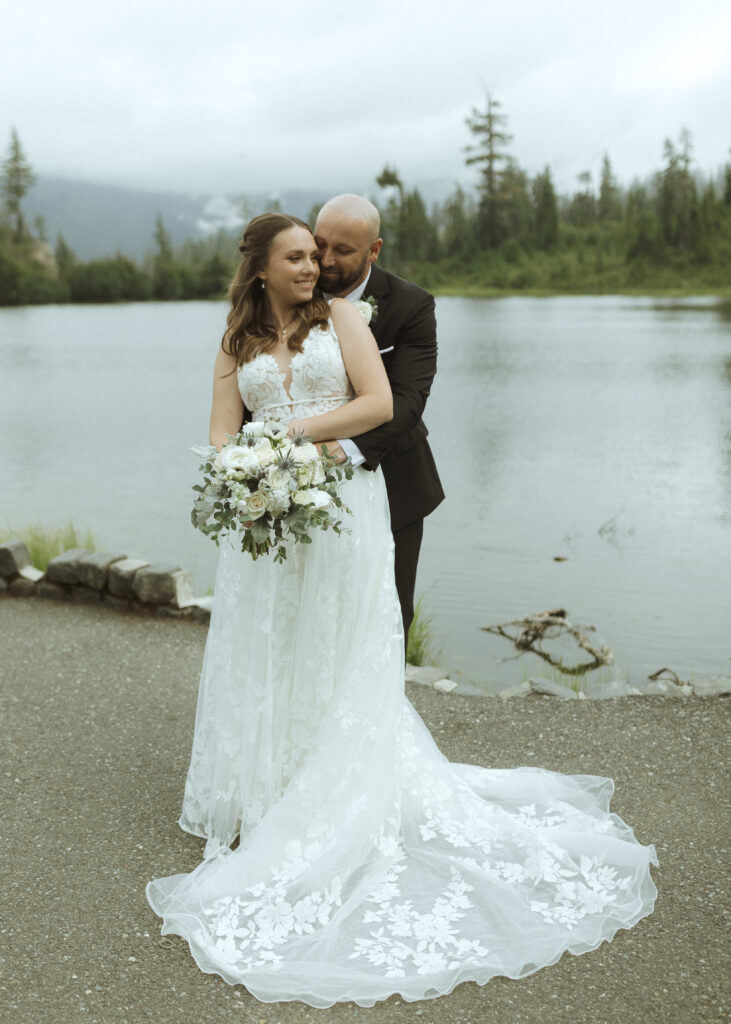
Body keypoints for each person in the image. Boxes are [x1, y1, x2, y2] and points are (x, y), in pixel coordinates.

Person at [147, 212, 657, 1009]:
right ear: (258, 267)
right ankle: (272, 787)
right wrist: (241, 470)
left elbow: (380, 404)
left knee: (342, 641)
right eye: (296, 257)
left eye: (317, 256)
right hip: (265, 518)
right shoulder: (232, 339)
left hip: (343, 507)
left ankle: (342, 786)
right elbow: (219, 434)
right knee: (274, 643)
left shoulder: (345, 319)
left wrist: (283, 442)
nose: (314, 267)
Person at [313, 194, 444, 639]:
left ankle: (380, 708)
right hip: (295, 480)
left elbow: (407, 401)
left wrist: (344, 449)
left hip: (392, 479)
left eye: (343, 250)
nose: (325, 260)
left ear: (374, 249)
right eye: (319, 244)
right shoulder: (289, 290)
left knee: (386, 613)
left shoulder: (412, 305)